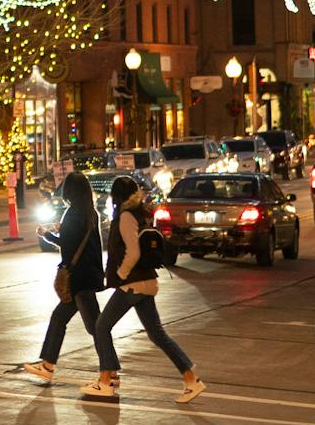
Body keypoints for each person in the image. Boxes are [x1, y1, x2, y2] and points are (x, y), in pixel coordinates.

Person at [82, 173, 205, 405]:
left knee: (101, 326)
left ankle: (106, 380)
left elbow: (134, 251)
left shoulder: (127, 216)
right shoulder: (140, 213)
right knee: (157, 334)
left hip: (133, 284)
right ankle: (191, 379)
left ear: (117, 196)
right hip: (146, 282)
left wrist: (121, 274)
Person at [23, 171, 110, 385]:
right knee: (61, 319)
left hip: (78, 280)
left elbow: (67, 244)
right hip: (88, 275)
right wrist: (62, 229)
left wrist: (46, 234)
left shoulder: (73, 213)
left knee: (96, 328)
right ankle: (48, 365)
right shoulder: (90, 212)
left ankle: (110, 370)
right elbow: (82, 239)